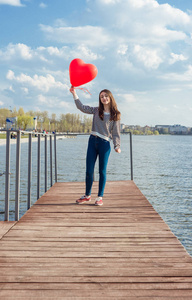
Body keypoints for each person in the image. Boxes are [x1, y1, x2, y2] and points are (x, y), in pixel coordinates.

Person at [70, 86, 121, 206]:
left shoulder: (116, 114)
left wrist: (116, 146)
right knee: (89, 170)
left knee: (102, 171)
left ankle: (99, 197)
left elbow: (116, 132)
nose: (104, 98)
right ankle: (87, 195)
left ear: (110, 97)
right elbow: (81, 107)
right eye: (101, 96)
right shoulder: (96, 110)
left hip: (105, 144)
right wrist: (74, 93)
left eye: (106, 96)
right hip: (92, 142)